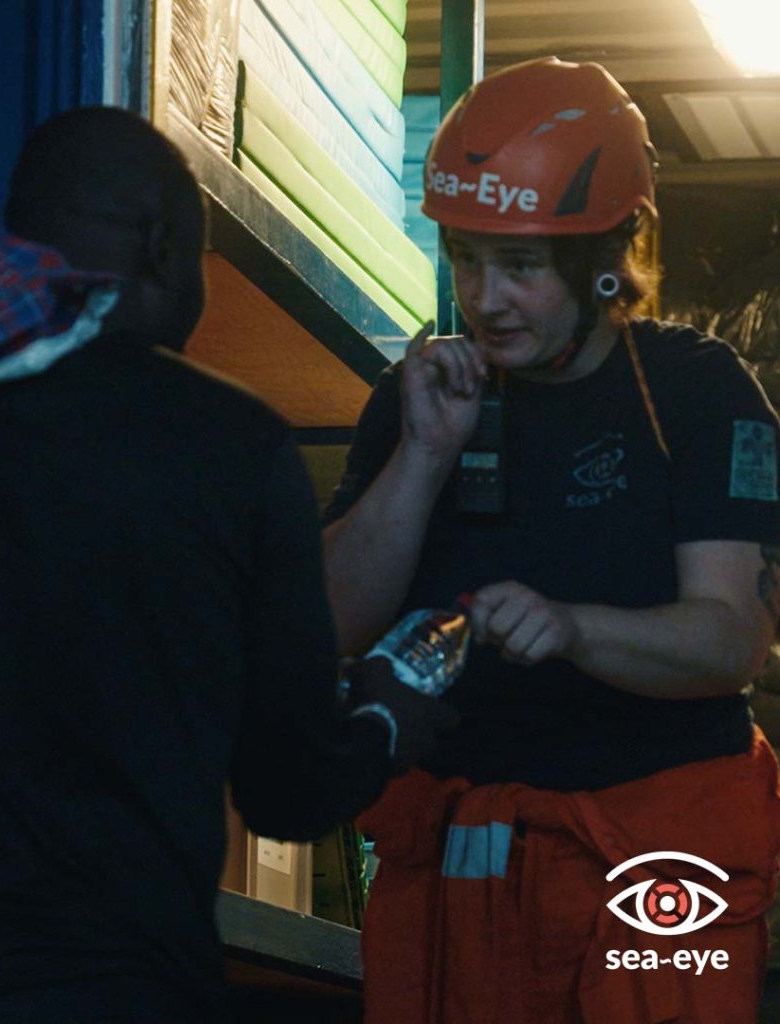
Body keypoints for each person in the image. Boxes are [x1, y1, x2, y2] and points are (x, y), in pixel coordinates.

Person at [0, 107, 444, 1023]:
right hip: (105, 990)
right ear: (163, 247)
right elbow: (289, 791)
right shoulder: (227, 445)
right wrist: (395, 707)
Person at [322, 57, 780, 1024]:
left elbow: (730, 641)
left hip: (650, 869)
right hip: (459, 866)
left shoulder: (696, 396)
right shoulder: (420, 400)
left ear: (607, 256)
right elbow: (325, 622)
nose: (485, 298)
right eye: (465, 258)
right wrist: (423, 457)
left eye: (522, 266)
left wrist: (571, 628)